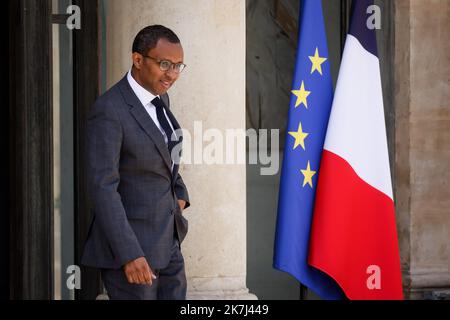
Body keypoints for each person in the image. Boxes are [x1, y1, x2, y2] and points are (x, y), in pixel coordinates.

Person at [81, 25, 190, 300]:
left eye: (178, 66)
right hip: (134, 256)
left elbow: (168, 158)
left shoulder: (161, 98)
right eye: (165, 64)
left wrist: (180, 196)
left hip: (170, 245)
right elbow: (102, 188)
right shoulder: (109, 110)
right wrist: (129, 254)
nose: (172, 75)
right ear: (138, 60)